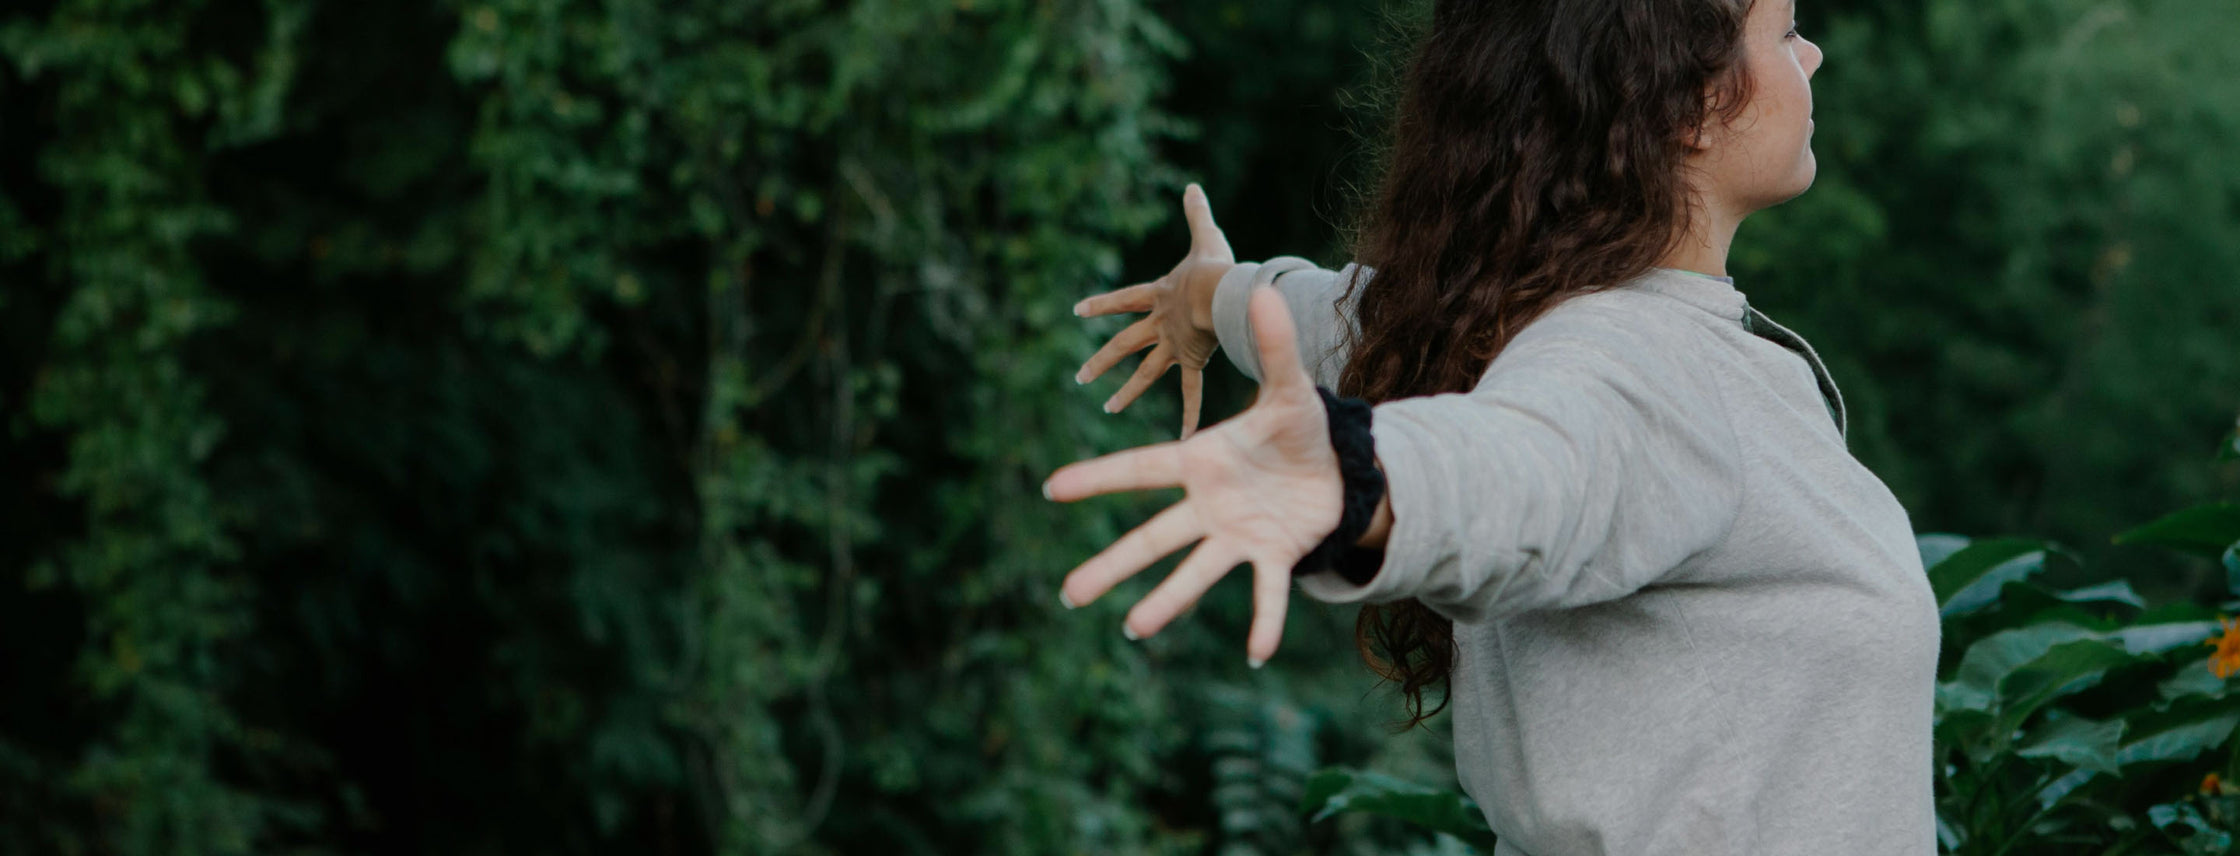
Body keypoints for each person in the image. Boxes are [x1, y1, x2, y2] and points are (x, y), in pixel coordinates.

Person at [1043, 0, 1941, 852]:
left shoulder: (1476, 321)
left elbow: (1326, 316)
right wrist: (1353, 480)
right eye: (1785, 32)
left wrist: (1211, 295)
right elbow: (1528, 471)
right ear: (1691, 109)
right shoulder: (1641, 366)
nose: (1811, 54)